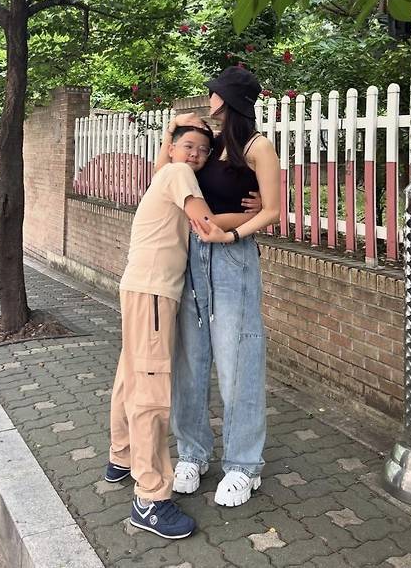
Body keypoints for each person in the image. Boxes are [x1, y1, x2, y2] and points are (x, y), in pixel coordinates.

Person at [105, 122, 260, 538]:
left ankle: (121, 457)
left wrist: (170, 135)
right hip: (155, 293)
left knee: (130, 376)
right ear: (173, 149)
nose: (195, 154)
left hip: (140, 287)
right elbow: (205, 225)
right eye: (188, 146)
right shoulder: (178, 174)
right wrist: (255, 214)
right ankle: (150, 498)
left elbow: (172, 169)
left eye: (203, 150)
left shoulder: (165, 173)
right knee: (151, 393)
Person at [156, 66, 281, 508]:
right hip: (191, 256)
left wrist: (232, 233)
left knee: (238, 360)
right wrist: (171, 131)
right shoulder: (208, 144)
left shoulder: (257, 146)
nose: (208, 100)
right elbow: (165, 180)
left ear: (226, 98)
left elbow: (273, 210)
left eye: (213, 94)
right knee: (190, 360)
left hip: (231, 258)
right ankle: (192, 453)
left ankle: (244, 465)